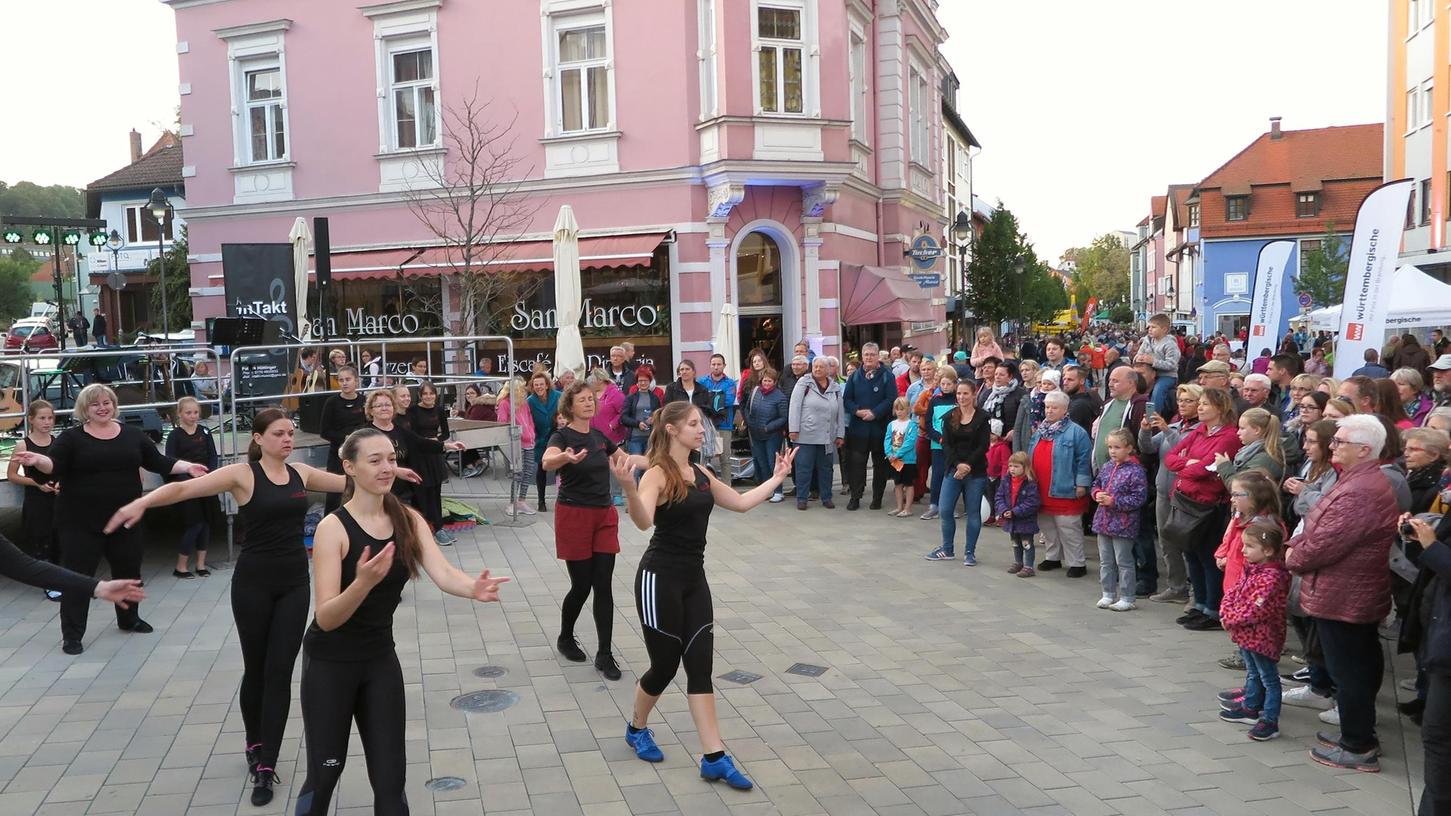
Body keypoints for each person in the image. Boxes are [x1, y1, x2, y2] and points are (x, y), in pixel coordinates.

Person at [106, 408, 348, 805]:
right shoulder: (241, 475)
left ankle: (266, 764)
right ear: (258, 438)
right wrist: (142, 503)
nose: (288, 440)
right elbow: (184, 488)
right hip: (252, 584)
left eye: (290, 433)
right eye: (279, 434)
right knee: (257, 668)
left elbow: (348, 481)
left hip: (294, 584)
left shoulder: (301, 474)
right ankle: (254, 743)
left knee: (280, 671)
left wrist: (389, 474)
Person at [294, 428, 508, 814]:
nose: (386, 467)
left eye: (391, 459)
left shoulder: (407, 518)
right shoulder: (333, 529)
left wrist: (471, 588)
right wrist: (361, 584)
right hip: (330, 663)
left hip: (378, 661)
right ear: (350, 467)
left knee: (391, 780)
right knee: (326, 774)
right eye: (374, 460)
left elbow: (444, 573)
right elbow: (326, 617)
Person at [614, 401, 794, 791]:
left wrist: (778, 477)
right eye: (694, 424)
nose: (701, 429)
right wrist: (629, 487)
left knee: (700, 666)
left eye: (701, 424)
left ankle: (714, 757)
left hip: (694, 581)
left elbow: (742, 503)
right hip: (658, 580)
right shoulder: (657, 474)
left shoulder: (701, 474)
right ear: (674, 429)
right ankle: (636, 727)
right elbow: (643, 521)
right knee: (663, 668)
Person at [14, 384, 207, 655]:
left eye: (107, 402)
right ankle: (72, 634)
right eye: (96, 404)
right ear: (85, 409)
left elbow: (159, 462)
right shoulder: (71, 438)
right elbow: (53, 467)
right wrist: (37, 460)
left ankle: (129, 619)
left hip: (125, 519)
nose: (102, 407)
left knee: (129, 572)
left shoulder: (132, 435)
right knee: (77, 579)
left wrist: (188, 467)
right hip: (80, 523)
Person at [1287, 414, 1399, 772]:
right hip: (1348, 591)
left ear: (1364, 450)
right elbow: (1320, 523)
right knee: (1356, 665)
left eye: (1340, 442)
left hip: (1344, 595)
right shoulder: (1356, 480)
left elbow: (1325, 542)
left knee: (1348, 670)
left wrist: (1293, 554)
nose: (1332, 446)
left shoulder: (1359, 490)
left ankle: (1358, 745)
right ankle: (1358, 732)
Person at [541, 381, 640, 680]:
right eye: (582, 400)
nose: (588, 403)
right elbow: (547, 461)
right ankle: (565, 637)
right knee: (581, 585)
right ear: (570, 406)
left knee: (603, 585)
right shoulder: (562, 435)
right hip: (574, 515)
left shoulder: (599, 437)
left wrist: (665, 460)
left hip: (604, 515)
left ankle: (605, 654)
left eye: (591, 399)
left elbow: (625, 458)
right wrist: (565, 458)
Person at [1163, 388, 1243, 631]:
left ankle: (1212, 608)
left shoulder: (1228, 437)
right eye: (1200, 403)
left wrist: (1185, 467)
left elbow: (1206, 470)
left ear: (1220, 408)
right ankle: (1198, 604)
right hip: (1186, 500)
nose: (1200, 407)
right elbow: (1170, 457)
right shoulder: (1199, 430)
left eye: (1206, 404)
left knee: (1208, 558)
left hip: (1207, 505)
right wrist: (1188, 463)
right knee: (1191, 554)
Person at [1216, 520, 1292, 742]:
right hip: (1246, 634)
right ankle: (1250, 706)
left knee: (1268, 677)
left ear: (1267, 550)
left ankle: (1270, 720)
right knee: (1252, 670)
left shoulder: (1272, 577)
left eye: (1249, 546)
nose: (1243, 550)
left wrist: (1230, 619)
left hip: (1263, 637)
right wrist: (1226, 612)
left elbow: (1256, 609)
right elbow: (1234, 592)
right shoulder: (1251, 570)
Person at [1400, 510, 1451, 814]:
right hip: (1441, 643)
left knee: (1439, 736)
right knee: (1436, 735)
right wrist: (1420, 539)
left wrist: (1433, 547)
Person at [1143, 383, 1203, 603]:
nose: (1183, 404)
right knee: (1167, 542)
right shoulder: (1177, 425)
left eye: (1189, 401)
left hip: (1186, 496)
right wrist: (1145, 430)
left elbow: (1186, 451)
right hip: (1163, 492)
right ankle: (1175, 586)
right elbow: (1148, 448)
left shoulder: (1199, 430)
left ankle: (1195, 589)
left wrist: (1167, 430)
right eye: (1180, 400)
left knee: (1187, 544)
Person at [924, 379, 990, 565]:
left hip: (975, 471)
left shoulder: (982, 418)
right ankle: (947, 549)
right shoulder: (949, 416)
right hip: (953, 469)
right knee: (945, 510)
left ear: (973, 394)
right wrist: (958, 465)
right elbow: (947, 444)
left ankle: (970, 552)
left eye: (965, 393)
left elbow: (983, 446)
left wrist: (967, 465)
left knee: (973, 512)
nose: (961, 397)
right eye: (959, 393)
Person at [1028, 391, 1094, 576]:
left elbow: (1084, 460)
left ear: (1065, 410)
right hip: (1042, 487)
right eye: (1047, 407)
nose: (1049, 411)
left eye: (1054, 407)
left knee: (1068, 527)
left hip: (1065, 488)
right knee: (1047, 526)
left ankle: (1077, 563)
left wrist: (1082, 483)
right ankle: (1053, 557)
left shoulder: (1076, 432)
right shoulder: (1040, 430)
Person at [7, 400, 63, 600]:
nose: (47, 422)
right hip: (36, 499)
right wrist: (36, 484)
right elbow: (12, 475)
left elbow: (64, 469)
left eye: (50, 418)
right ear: (31, 420)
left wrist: (60, 485)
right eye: (42, 418)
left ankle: (61, 578)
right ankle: (49, 582)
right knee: (41, 539)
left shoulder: (57, 441)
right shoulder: (23, 444)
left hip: (57, 498)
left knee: (59, 539)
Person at [1091, 428, 1148, 610]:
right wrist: (1097, 494)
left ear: (1129, 448)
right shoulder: (1107, 466)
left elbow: (1139, 498)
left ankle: (1127, 597)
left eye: (1117, 447)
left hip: (1124, 524)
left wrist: (1114, 501)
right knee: (1105, 560)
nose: (1113, 451)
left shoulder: (1136, 471)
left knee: (1124, 561)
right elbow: (1096, 484)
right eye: (1110, 447)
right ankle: (1107, 593)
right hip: (1103, 521)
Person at [165, 396, 220, 578]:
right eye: (188, 413)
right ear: (179, 414)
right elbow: (170, 460)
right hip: (187, 485)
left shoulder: (205, 432)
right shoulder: (175, 436)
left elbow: (213, 456)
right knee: (194, 524)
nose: (193, 416)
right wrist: (188, 479)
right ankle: (181, 566)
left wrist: (210, 474)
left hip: (205, 482)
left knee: (206, 524)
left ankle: (201, 564)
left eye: (196, 412)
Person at [843, 342, 897, 511]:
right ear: (862, 356)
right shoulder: (854, 376)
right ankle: (855, 497)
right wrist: (857, 411)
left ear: (877, 357)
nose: (869, 358)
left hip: (879, 427)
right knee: (856, 464)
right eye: (866, 354)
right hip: (858, 428)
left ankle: (877, 498)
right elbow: (847, 400)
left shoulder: (887, 376)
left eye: (872, 355)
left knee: (879, 465)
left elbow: (891, 399)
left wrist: (875, 413)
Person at [788, 357, 845, 510]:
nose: (818, 369)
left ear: (828, 369)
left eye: (821, 367)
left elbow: (840, 412)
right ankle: (802, 499)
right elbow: (794, 406)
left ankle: (826, 497)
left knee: (826, 468)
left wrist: (840, 434)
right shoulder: (803, 383)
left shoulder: (835, 387)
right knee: (803, 468)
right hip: (805, 435)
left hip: (827, 436)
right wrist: (793, 429)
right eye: (815, 366)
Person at [406, 381, 458, 544]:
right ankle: (427, 526)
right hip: (420, 454)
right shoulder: (413, 411)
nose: (429, 397)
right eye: (425, 394)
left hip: (434, 453)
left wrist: (437, 440)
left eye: (431, 393)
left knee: (436, 491)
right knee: (422, 491)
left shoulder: (439, 410)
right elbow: (412, 434)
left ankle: (438, 526)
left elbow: (445, 433)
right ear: (420, 396)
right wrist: (426, 441)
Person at [319, 365, 368, 514]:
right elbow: (324, 431)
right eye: (341, 380)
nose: (344, 383)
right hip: (337, 455)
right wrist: (344, 438)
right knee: (335, 494)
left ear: (356, 381)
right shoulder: (331, 403)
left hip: (360, 453)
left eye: (348, 379)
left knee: (360, 490)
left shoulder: (364, 401)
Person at [920, 367, 960, 519]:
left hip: (955, 445)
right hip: (938, 445)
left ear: (954, 384)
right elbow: (929, 423)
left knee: (953, 474)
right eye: (943, 384)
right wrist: (939, 438)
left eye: (948, 384)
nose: (945, 387)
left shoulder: (958, 400)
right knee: (937, 474)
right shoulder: (935, 400)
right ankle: (934, 505)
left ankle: (950, 505)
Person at [744, 367, 788, 500]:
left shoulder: (780, 396)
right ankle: (766, 490)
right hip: (755, 433)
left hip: (772, 435)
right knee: (762, 463)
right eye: (764, 380)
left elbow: (783, 417)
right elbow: (747, 408)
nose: (766, 383)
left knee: (772, 463)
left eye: (769, 381)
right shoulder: (755, 392)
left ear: (774, 382)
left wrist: (768, 427)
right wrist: (749, 422)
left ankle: (778, 492)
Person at [496, 378, 538, 516]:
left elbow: (530, 419)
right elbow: (502, 423)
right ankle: (513, 502)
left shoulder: (524, 404)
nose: (524, 391)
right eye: (521, 389)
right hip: (516, 442)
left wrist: (531, 432)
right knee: (517, 474)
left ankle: (522, 500)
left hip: (529, 441)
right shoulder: (504, 404)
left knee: (528, 472)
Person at [996, 451, 1042, 576]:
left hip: (1025, 520)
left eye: (1016, 466)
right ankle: (1018, 562)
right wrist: (1003, 510)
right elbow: (999, 497)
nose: (1012, 469)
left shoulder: (1030, 484)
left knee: (1027, 543)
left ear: (1025, 467)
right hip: (1011, 519)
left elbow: (1032, 502)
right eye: (1011, 466)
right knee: (1015, 542)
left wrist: (1015, 512)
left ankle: (1028, 566)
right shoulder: (1006, 481)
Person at [588, 369, 629, 504]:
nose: (591, 383)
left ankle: (616, 494)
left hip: (612, 437)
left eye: (593, 380)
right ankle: (602, 492)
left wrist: (613, 424)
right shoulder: (592, 394)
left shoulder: (615, 394)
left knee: (614, 465)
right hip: (595, 435)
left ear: (600, 381)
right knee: (599, 466)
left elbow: (623, 412)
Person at [528, 369, 561, 511]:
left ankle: (562, 498)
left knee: (561, 467)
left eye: (541, 384)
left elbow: (567, 412)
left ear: (547, 385)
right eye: (536, 385)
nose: (539, 387)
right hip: (540, 439)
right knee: (541, 469)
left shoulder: (559, 396)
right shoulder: (530, 401)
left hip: (558, 437)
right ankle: (541, 501)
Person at [701, 354, 737, 480]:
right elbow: (699, 401)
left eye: (719, 364)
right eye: (713, 364)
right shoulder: (701, 382)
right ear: (710, 365)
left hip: (724, 425)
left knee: (725, 459)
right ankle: (704, 488)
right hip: (705, 425)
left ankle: (728, 490)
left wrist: (709, 399)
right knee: (703, 458)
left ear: (724, 366)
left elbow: (728, 401)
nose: (716, 367)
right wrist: (716, 398)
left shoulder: (730, 383)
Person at [1138, 314, 1182, 412]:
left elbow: (1172, 364)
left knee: (1158, 391)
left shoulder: (1170, 344)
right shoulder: (1147, 341)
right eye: (1149, 327)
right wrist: (1139, 358)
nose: (1150, 329)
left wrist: (1153, 361)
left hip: (1167, 376)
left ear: (1164, 329)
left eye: (1153, 327)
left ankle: (1152, 415)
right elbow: (1139, 353)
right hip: (1149, 374)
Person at [884, 396, 919, 517]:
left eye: (902, 409)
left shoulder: (912, 425)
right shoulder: (891, 424)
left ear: (908, 409)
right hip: (894, 460)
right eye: (897, 409)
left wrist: (897, 454)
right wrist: (889, 454)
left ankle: (908, 508)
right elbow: (887, 439)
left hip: (908, 460)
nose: (899, 412)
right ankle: (899, 507)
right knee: (897, 483)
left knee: (908, 484)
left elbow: (910, 442)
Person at [622, 365, 664, 457]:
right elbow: (623, 418)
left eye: (645, 380)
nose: (643, 383)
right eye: (640, 381)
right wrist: (638, 424)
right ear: (637, 382)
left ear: (650, 381)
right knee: (637, 469)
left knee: (649, 466)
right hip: (634, 438)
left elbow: (659, 415)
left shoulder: (655, 398)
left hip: (651, 438)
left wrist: (654, 419)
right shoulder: (631, 398)